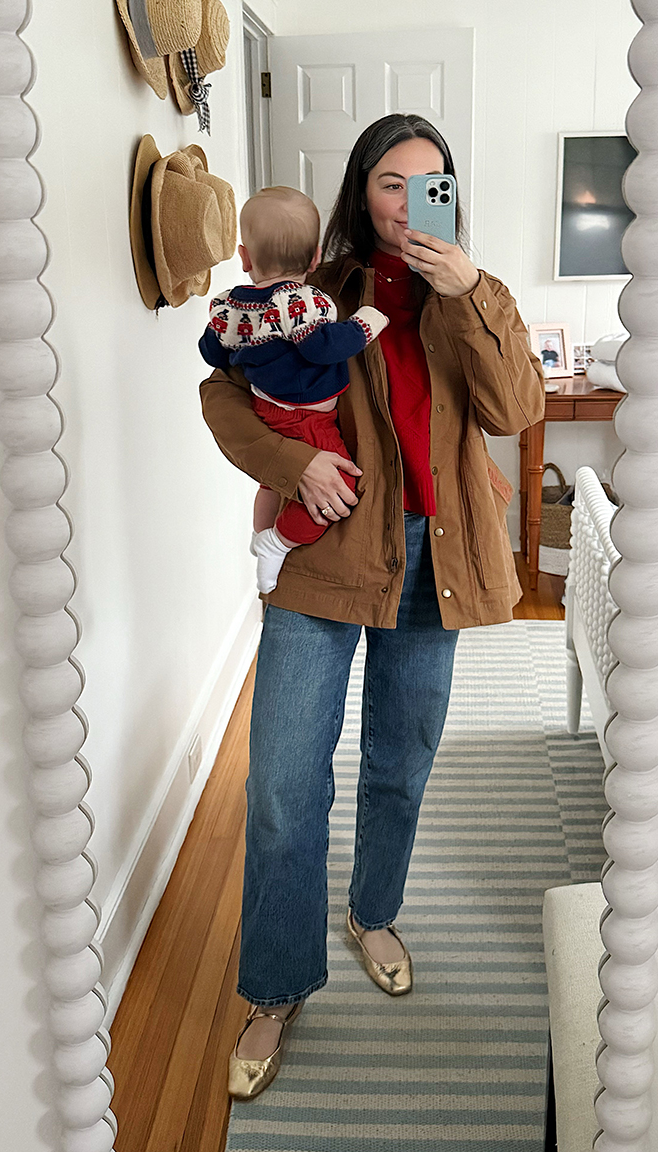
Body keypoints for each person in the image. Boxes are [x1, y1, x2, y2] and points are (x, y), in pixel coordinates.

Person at [199, 113, 546, 1100]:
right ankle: (273, 989)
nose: (406, 204)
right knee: (280, 784)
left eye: (428, 185)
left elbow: (515, 412)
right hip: (326, 561)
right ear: (362, 192)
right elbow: (224, 395)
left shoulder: (480, 295)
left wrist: (468, 294)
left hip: (438, 565)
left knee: (401, 761)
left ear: (450, 196)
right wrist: (292, 459)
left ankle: (372, 912)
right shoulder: (315, 293)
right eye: (391, 184)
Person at [198, 186, 388, 592]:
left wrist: (242, 343)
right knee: (339, 489)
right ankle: (276, 542)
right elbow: (323, 347)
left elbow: (212, 353)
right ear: (316, 256)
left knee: (272, 481)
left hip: (267, 409)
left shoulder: (232, 306)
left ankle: (260, 533)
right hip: (308, 417)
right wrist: (366, 323)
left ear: (244, 256)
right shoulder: (302, 303)